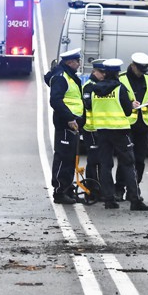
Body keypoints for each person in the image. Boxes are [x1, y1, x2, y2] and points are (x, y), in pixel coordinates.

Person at [84, 58, 148, 211]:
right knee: (128, 164)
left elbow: (91, 107)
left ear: (106, 72)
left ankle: (109, 200)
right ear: (118, 73)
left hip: (102, 131)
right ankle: (135, 200)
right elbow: (127, 110)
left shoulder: (95, 89)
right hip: (120, 131)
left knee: (105, 165)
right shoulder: (120, 88)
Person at [115, 52, 148, 200]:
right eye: (139, 70)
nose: (141, 73)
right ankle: (119, 188)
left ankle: (134, 188)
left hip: (144, 126)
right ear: (133, 66)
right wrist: (129, 104)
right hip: (126, 125)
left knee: (140, 159)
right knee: (125, 158)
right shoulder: (121, 78)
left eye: (144, 70)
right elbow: (115, 100)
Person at [43, 48, 84, 204]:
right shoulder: (61, 77)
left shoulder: (69, 76)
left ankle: (67, 189)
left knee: (69, 159)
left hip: (72, 124)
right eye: (77, 61)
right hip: (66, 124)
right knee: (63, 158)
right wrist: (69, 118)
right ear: (69, 62)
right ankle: (59, 192)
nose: (79, 64)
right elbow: (55, 100)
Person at [81, 59, 107, 202]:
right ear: (93, 72)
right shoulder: (89, 86)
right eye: (100, 72)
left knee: (103, 161)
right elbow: (88, 104)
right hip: (91, 129)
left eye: (104, 72)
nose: (103, 75)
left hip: (103, 128)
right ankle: (91, 190)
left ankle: (102, 189)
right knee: (93, 161)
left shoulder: (103, 85)